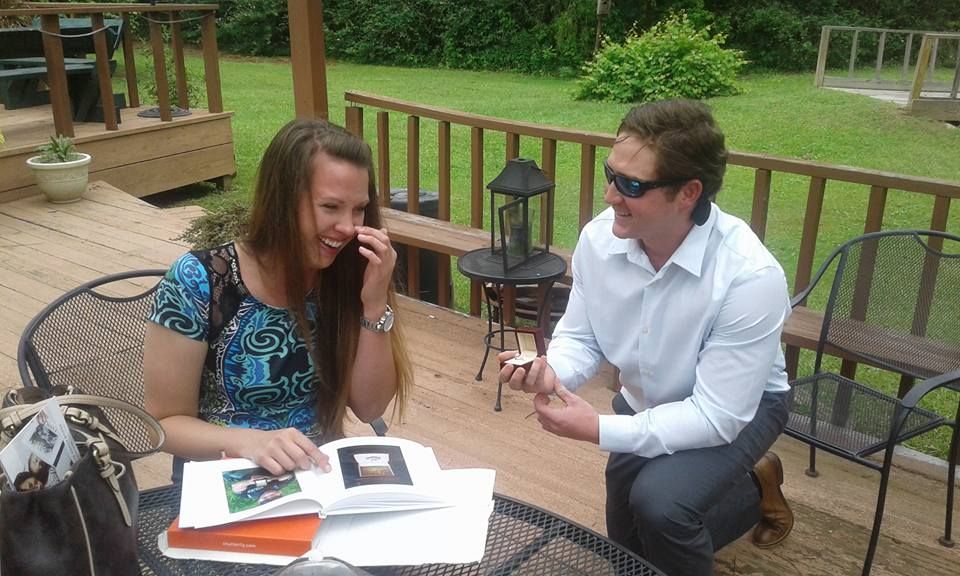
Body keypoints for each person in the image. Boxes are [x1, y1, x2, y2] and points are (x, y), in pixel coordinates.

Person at [498, 99, 794, 575]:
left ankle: (750, 490)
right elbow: (582, 337)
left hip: (744, 406)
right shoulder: (600, 240)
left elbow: (717, 416)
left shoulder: (749, 277)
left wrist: (598, 428)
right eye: (610, 174)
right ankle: (746, 487)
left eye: (632, 185)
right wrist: (550, 370)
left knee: (662, 505)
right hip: (646, 399)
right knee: (628, 535)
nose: (611, 195)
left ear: (688, 193)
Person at [144, 118, 414, 476]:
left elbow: (369, 406)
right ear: (281, 200)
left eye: (359, 209)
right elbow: (163, 423)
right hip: (226, 481)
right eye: (330, 207)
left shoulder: (350, 273)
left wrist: (375, 304)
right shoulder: (200, 281)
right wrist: (247, 441)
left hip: (319, 478)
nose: (349, 227)